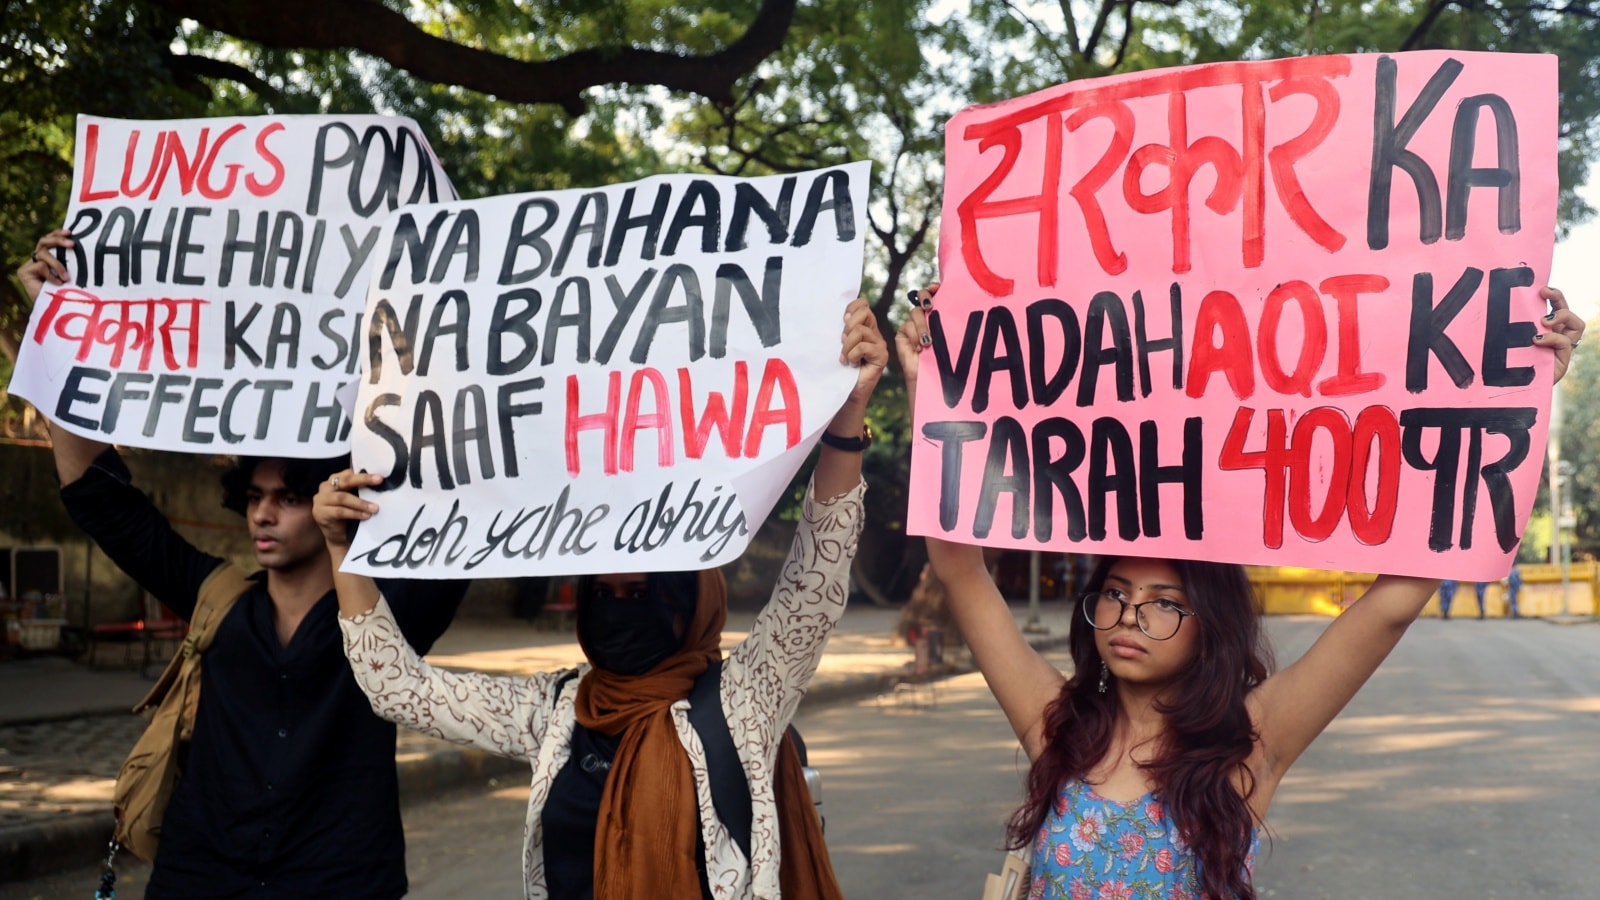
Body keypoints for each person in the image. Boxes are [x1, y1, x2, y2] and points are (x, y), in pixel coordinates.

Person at [894, 283, 1581, 899]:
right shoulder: (1056, 728)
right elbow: (962, 569)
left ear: (1210, 626)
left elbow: (1393, 604)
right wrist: (935, 394)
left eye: (1164, 603)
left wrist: (1511, 394)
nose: (1130, 614)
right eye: (1115, 593)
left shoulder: (1251, 743)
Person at [313, 296, 888, 899]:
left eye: (640, 593)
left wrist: (848, 417)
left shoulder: (747, 698)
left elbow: (814, 584)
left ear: (692, 600)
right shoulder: (559, 711)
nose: (620, 609)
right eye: (604, 594)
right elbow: (398, 687)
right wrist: (341, 548)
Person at [19, 229, 468, 897]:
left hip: (338, 881)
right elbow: (100, 496)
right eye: (255, 497)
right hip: (200, 877)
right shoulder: (216, 596)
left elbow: (471, 498)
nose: (263, 515)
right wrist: (52, 326)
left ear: (335, 491)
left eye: (287, 498)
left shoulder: (394, 614)